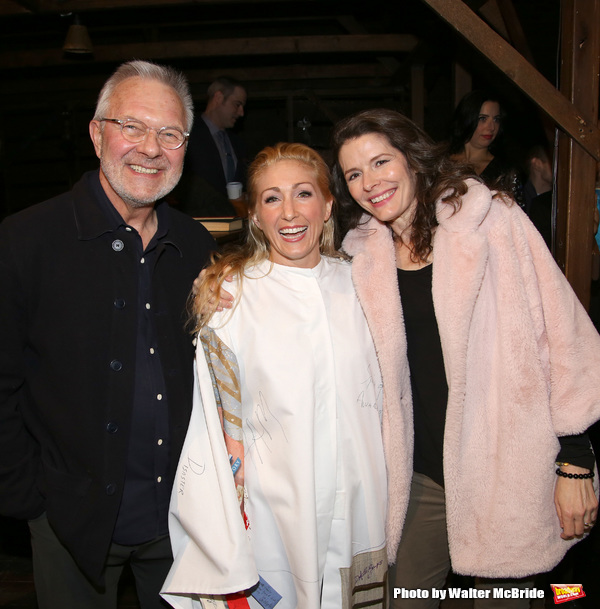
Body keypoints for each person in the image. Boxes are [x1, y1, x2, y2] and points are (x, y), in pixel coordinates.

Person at [329, 108, 600, 608]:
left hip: (503, 466)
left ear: (412, 158)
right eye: (353, 173)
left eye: (381, 161)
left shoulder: (490, 219)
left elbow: (561, 333)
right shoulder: (360, 253)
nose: (370, 182)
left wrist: (576, 460)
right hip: (417, 477)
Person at [0, 60, 216, 609]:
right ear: (98, 134)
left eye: (170, 134)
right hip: (68, 520)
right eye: (133, 127)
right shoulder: (26, 240)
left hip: (183, 519)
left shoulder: (194, 245)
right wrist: (31, 498)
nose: (151, 148)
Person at [161, 143, 388, 609]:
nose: (289, 212)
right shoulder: (235, 297)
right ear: (255, 216)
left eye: (303, 193)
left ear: (327, 206)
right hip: (274, 507)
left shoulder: (364, 285)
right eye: (270, 198)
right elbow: (214, 423)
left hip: (363, 495)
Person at [175, 76, 248, 217]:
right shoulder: (187, 135)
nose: (241, 113)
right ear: (219, 97)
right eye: (237, 104)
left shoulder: (238, 143)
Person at [448, 90, 523, 206]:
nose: (491, 127)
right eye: (483, 119)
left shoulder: (505, 172)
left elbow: (517, 217)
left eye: (496, 119)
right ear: (467, 119)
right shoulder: (442, 164)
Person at [524, 144, 554, 248]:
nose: (559, 167)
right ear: (537, 164)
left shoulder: (557, 200)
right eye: (553, 162)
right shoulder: (519, 198)